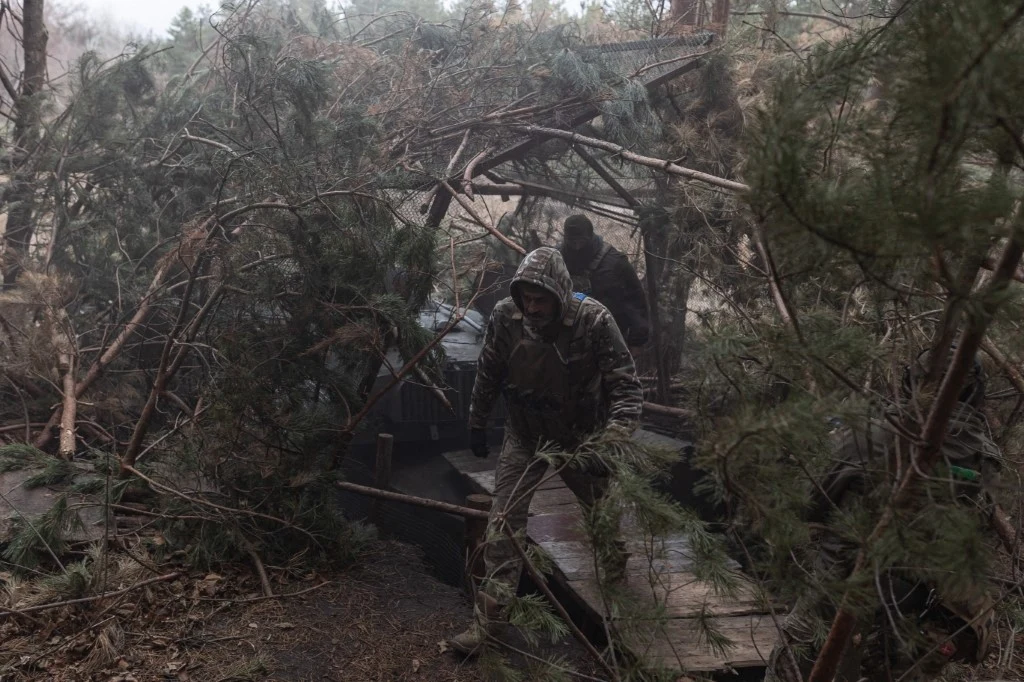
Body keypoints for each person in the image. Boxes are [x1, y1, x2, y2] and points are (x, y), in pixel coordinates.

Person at [448, 246, 644, 655]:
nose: (533, 308)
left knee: (602, 520)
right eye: (527, 298)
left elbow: (626, 388)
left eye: (541, 299)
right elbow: (489, 369)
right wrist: (477, 421)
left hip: (580, 440)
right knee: (503, 525)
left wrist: (610, 443)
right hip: (524, 435)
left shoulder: (594, 321)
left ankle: (618, 596)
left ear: (559, 294)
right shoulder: (506, 316)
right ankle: (490, 627)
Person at [765, 349, 999, 682]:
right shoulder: (985, 457)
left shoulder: (870, 433)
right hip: (916, 612)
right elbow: (978, 538)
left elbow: (809, 503)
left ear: (911, 383)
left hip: (836, 596)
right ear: (976, 391)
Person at [560, 214, 650, 355]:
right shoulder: (557, 259)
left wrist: (636, 342)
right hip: (565, 337)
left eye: (581, 241)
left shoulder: (615, 263)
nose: (577, 247)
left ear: (590, 236)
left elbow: (636, 302)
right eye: (572, 242)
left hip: (607, 339)